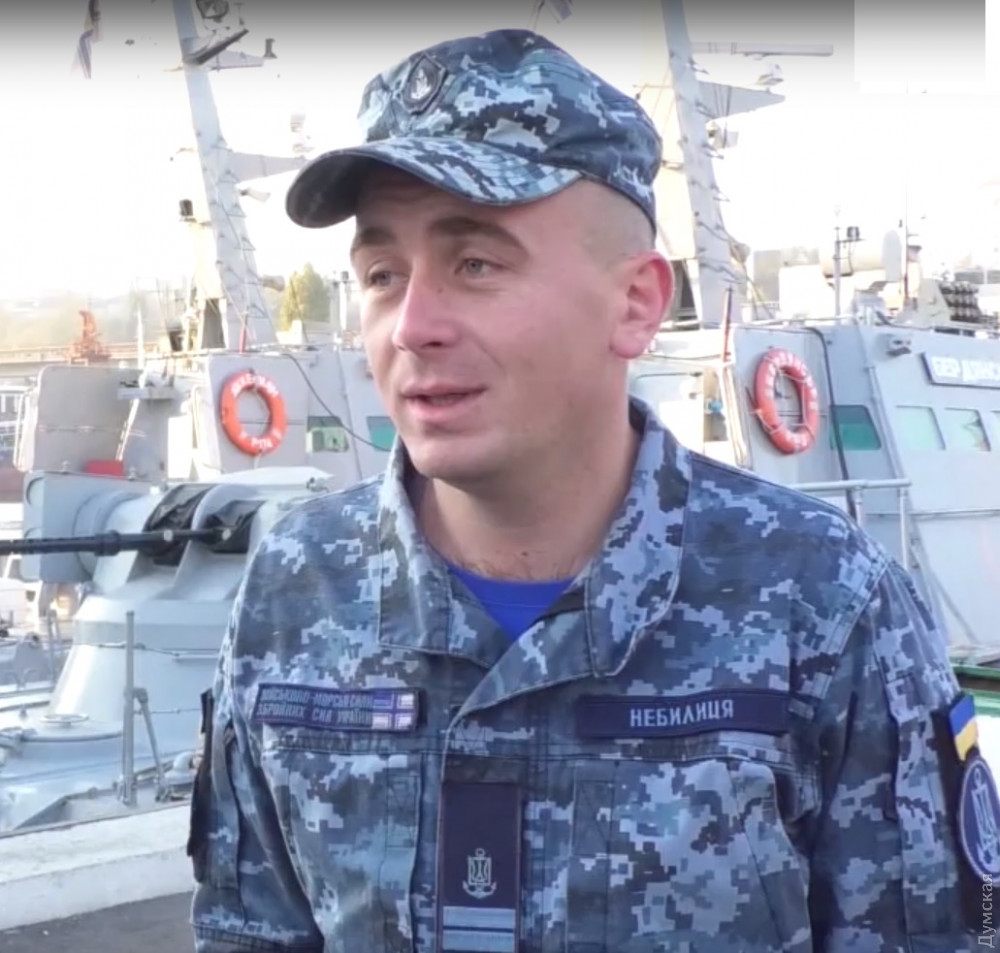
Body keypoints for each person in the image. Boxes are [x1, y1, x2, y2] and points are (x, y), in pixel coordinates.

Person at [188, 28, 994, 953]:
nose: (411, 325)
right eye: (381, 274)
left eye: (476, 264)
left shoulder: (823, 601)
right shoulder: (293, 590)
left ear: (636, 303)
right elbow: (247, 930)